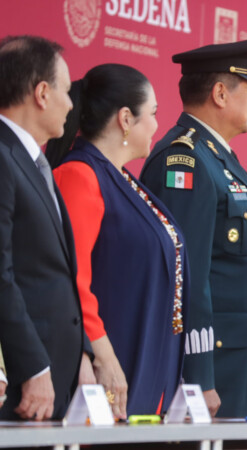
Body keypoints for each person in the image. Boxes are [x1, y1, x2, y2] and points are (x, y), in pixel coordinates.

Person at [46, 64, 189, 418]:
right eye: (153, 114)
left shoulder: (123, 180)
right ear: (126, 118)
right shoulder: (79, 175)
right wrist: (102, 356)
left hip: (148, 363)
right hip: (111, 367)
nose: (157, 125)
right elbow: (70, 279)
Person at [140, 37, 247, 418]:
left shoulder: (216, 159)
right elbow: (186, 275)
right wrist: (197, 377)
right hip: (208, 368)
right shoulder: (185, 160)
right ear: (219, 93)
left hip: (236, 361)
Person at [0, 35, 92, 421]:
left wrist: (81, 357)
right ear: (41, 93)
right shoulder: (3, 158)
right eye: (66, 91)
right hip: (23, 382)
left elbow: (53, 274)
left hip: (55, 376)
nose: (71, 105)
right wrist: (33, 367)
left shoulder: (36, 164)